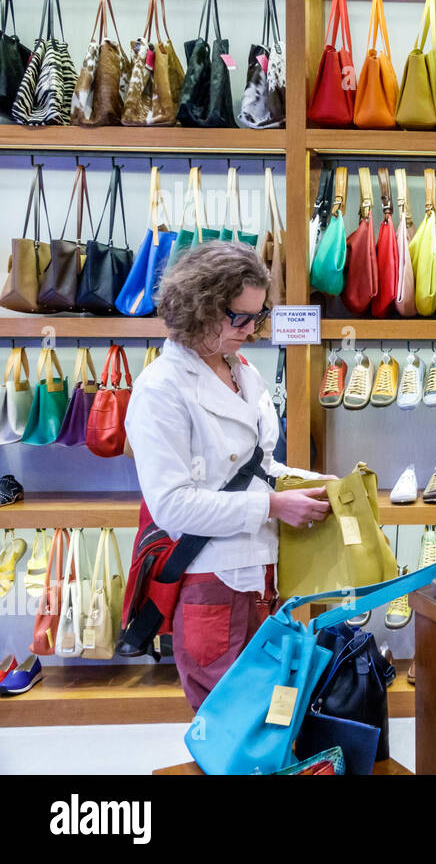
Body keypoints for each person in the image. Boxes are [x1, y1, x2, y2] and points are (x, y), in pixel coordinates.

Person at [125, 242, 331, 709]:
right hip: (210, 580)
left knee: (270, 715)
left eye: (257, 318)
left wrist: (317, 484)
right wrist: (275, 506)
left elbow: (260, 466)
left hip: (262, 573)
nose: (249, 330)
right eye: (238, 317)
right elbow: (173, 505)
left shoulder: (242, 370)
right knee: (229, 722)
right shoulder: (161, 389)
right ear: (200, 306)